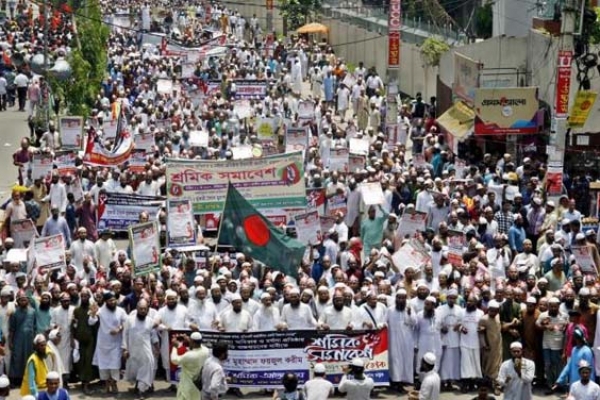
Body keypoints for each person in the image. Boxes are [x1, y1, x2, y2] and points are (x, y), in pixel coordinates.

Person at [88, 291, 127, 394]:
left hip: (116, 343)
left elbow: (127, 323)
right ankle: (106, 385)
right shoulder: (100, 311)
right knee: (104, 367)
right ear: (105, 302)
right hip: (103, 343)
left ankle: (114, 384)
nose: (113, 302)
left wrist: (119, 328)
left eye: (114, 300)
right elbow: (91, 322)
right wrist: (92, 313)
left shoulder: (120, 311)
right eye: (110, 301)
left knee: (115, 366)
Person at [123, 299, 157, 400]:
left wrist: (157, 347)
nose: (143, 311)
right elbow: (125, 334)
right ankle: (138, 387)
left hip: (146, 351)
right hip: (132, 350)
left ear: (147, 310)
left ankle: (141, 391)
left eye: (145, 309)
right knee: (136, 370)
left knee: (145, 369)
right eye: (141, 309)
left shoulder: (150, 321)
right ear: (137, 309)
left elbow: (153, 335)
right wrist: (125, 349)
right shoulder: (130, 320)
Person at [386, 289, 416, 392]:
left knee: (405, 361)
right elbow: (385, 323)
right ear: (396, 298)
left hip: (407, 340)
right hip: (393, 340)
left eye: (403, 298)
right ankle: (395, 382)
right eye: (399, 297)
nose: (401, 299)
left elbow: (414, 323)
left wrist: (409, 314)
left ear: (406, 299)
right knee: (395, 360)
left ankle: (402, 381)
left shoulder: (409, 309)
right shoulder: (390, 310)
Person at [170, 331, 210, 400]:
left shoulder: (190, 355)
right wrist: (189, 340)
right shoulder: (206, 351)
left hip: (187, 385)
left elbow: (174, 360)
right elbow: (201, 346)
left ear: (193, 342)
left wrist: (175, 347)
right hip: (198, 385)